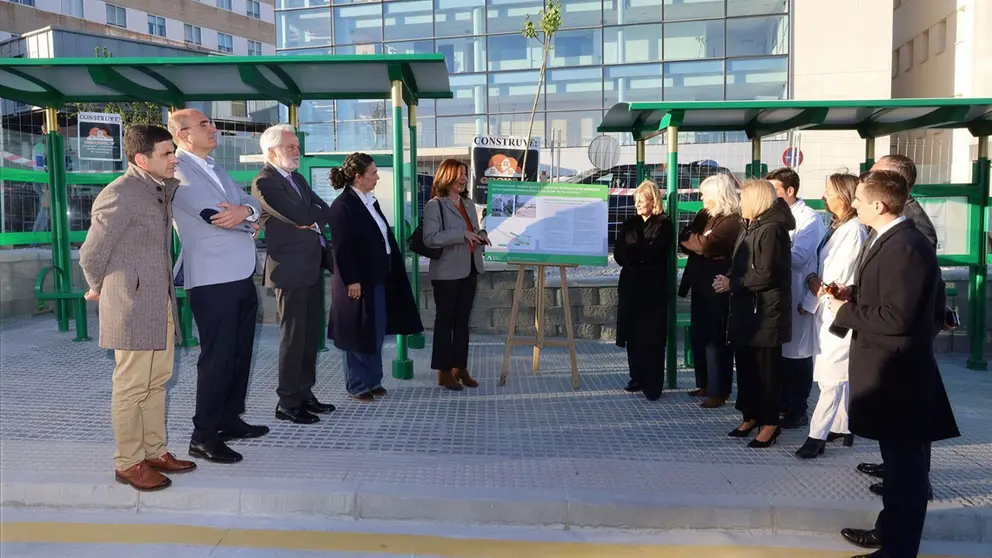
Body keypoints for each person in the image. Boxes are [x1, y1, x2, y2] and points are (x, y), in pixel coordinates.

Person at [828, 170, 959, 558]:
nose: (854, 205)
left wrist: (845, 310)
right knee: (899, 467)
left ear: (879, 206)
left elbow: (898, 318)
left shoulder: (906, 245)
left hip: (899, 375)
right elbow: (891, 296)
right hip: (892, 373)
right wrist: (852, 293)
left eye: (860, 200)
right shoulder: (890, 238)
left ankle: (899, 550)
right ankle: (890, 533)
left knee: (906, 470)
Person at [79, 124, 196, 491]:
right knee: (131, 386)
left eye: (173, 151)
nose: (174, 157)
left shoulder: (159, 190)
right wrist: (98, 286)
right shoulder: (121, 193)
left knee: (157, 381)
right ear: (142, 159)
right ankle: (129, 463)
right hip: (131, 305)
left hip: (158, 303)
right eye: (167, 153)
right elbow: (91, 252)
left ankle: (154, 450)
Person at [168, 109, 269, 465]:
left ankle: (228, 419)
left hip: (239, 274)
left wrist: (248, 213)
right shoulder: (178, 169)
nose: (213, 128)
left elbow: (251, 203)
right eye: (204, 124)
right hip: (211, 278)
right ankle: (203, 435)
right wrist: (246, 217)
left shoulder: (215, 167)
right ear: (182, 134)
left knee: (240, 352)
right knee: (218, 358)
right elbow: (217, 215)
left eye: (211, 122)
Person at [855, 154, 949, 496]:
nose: (867, 177)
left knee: (908, 422)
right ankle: (897, 469)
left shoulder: (911, 227)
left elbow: (915, 284)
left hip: (902, 340)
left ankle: (912, 480)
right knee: (897, 426)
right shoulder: (894, 221)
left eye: (876, 174)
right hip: (887, 334)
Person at [252, 125, 336, 424]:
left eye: (297, 145)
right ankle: (287, 402)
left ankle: (305, 393)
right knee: (293, 337)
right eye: (290, 147)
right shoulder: (265, 182)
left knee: (311, 335)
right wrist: (308, 216)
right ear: (273, 151)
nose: (297, 151)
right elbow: (303, 215)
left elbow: (322, 209)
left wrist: (308, 217)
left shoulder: (297, 178)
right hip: (289, 271)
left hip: (311, 266)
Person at [326, 152, 424, 401]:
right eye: (373, 173)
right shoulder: (342, 206)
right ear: (358, 178)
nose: (377, 177)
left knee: (375, 330)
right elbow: (342, 248)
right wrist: (352, 280)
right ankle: (357, 384)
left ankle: (373, 379)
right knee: (356, 332)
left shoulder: (370, 201)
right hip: (358, 281)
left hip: (378, 277)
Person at [714, 179, 794, 448]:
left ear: (756, 201)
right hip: (747, 311)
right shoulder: (751, 226)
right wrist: (729, 277)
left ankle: (770, 422)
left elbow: (767, 273)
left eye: (743, 198)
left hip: (765, 313)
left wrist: (733, 284)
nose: (739, 203)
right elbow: (743, 263)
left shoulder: (772, 230)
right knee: (747, 368)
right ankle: (751, 415)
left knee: (766, 371)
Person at [795, 173, 866, 459]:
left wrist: (814, 291)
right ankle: (843, 427)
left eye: (829, 192)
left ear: (844, 197)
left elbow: (833, 277)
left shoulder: (853, 231)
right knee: (834, 373)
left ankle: (817, 435)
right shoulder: (836, 227)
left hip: (837, 310)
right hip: (826, 309)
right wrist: (812, 285)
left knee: (832, 375)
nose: (824, 197)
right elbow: (817, 267)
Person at [422, 158, 489, 391]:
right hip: (446, 273)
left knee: (463, 322)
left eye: (465, 173)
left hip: (470, 268)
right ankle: (443, 371)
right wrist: (461, 234)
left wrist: (481, 234)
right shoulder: (435, 205)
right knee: (445, 322)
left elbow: (472, 229)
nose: (463, 178)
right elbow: (430, 238)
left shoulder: (468, 203)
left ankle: (460, 367)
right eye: (459, 174)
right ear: (447, 176)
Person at [766, 168, 824, 430]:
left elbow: (799, 257)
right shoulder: (774, 216)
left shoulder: (809, 219)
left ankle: (798, 408)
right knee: (782, 353)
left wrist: (770, 253)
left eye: (775, 190)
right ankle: (782, 401)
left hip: (799, 292)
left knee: (798, 354)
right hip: (779, 293)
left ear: (790, 191)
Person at [678, 174, 742, 408]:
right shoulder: (704, 216)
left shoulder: (732, 221)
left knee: (717, 339)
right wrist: (694, 240)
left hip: (718, 286)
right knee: (700, 335)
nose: (701, 197)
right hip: (700, 284)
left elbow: (704, 246)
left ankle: (719, 390)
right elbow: (683, 238)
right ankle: (703, 383)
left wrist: (697, 241)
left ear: (717, 195)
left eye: (705, 193)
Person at [613, 180, 673, 401]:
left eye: (641, 200)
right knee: (633, 333)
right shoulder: (629, 223)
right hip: (630, 284)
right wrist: (636, 252)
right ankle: (636, 376)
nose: (637, 204)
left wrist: (634, 252)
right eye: (635, 200)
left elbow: (653, 251)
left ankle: (652, 383)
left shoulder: (664, 224)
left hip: (652, 287)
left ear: (653, 200)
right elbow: (620, 253)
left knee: (652, 335)